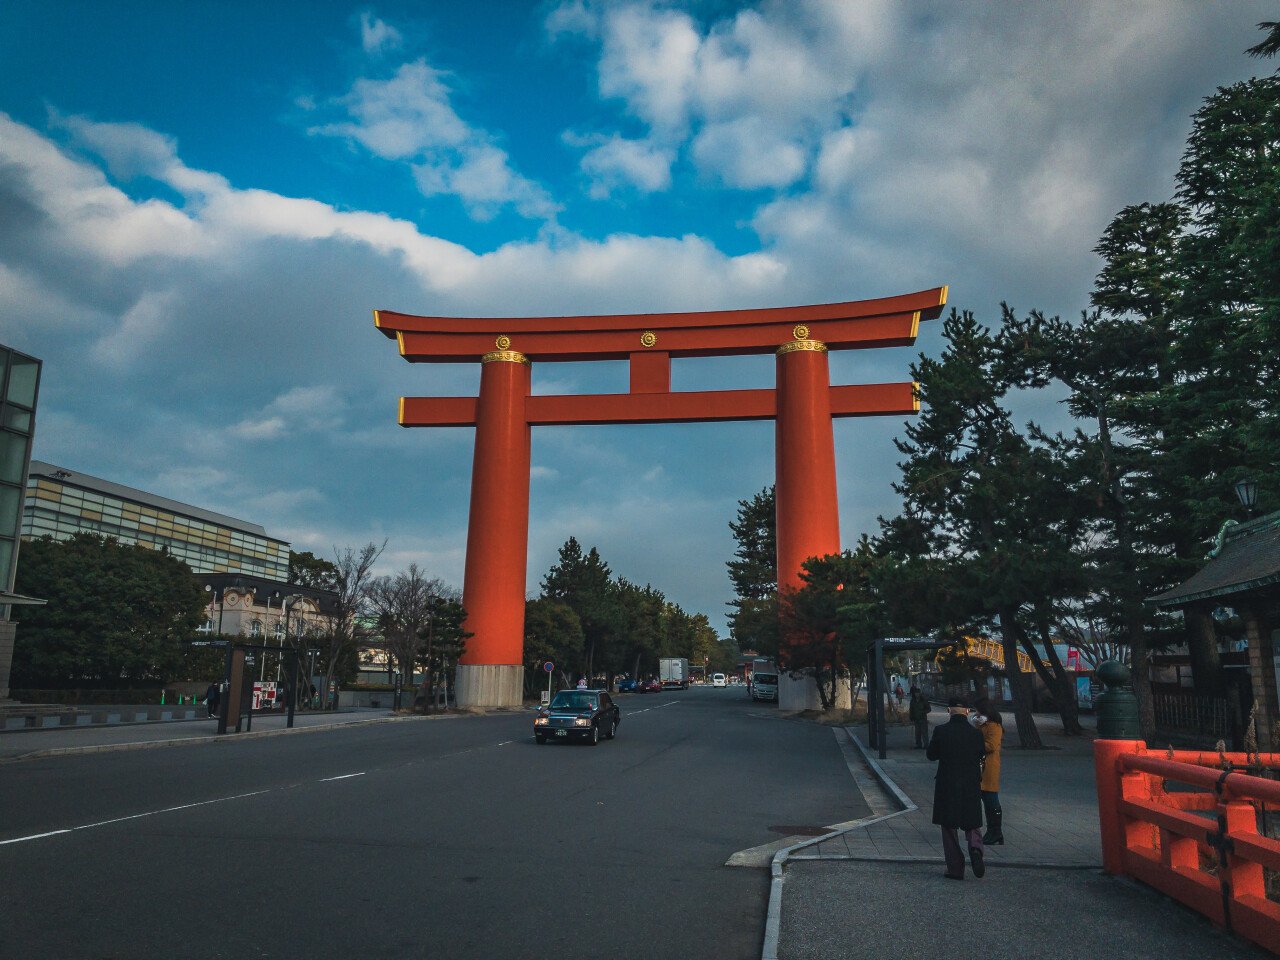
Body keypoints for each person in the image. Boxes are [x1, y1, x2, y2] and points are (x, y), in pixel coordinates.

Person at [926, 696, 987, 880]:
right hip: (970, 783)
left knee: (949, 826)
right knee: (972, 822)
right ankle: (976, 849)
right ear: (967, 712)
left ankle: (955, 868)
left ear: (948, 711)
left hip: (947, 783)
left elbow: (931, 755)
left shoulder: (941, 731)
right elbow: (982, 754)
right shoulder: (976, 734)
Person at [973, 697, 1005, 845]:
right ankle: (991, 831)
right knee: (986, 800)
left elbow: (991, 745)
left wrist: (973, 743)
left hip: (989, 767)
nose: (976, 713)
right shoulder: (981, 725)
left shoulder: (994, 726)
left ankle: (996, 831)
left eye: (978, 710)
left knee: (991, 799)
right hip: (979, 767)